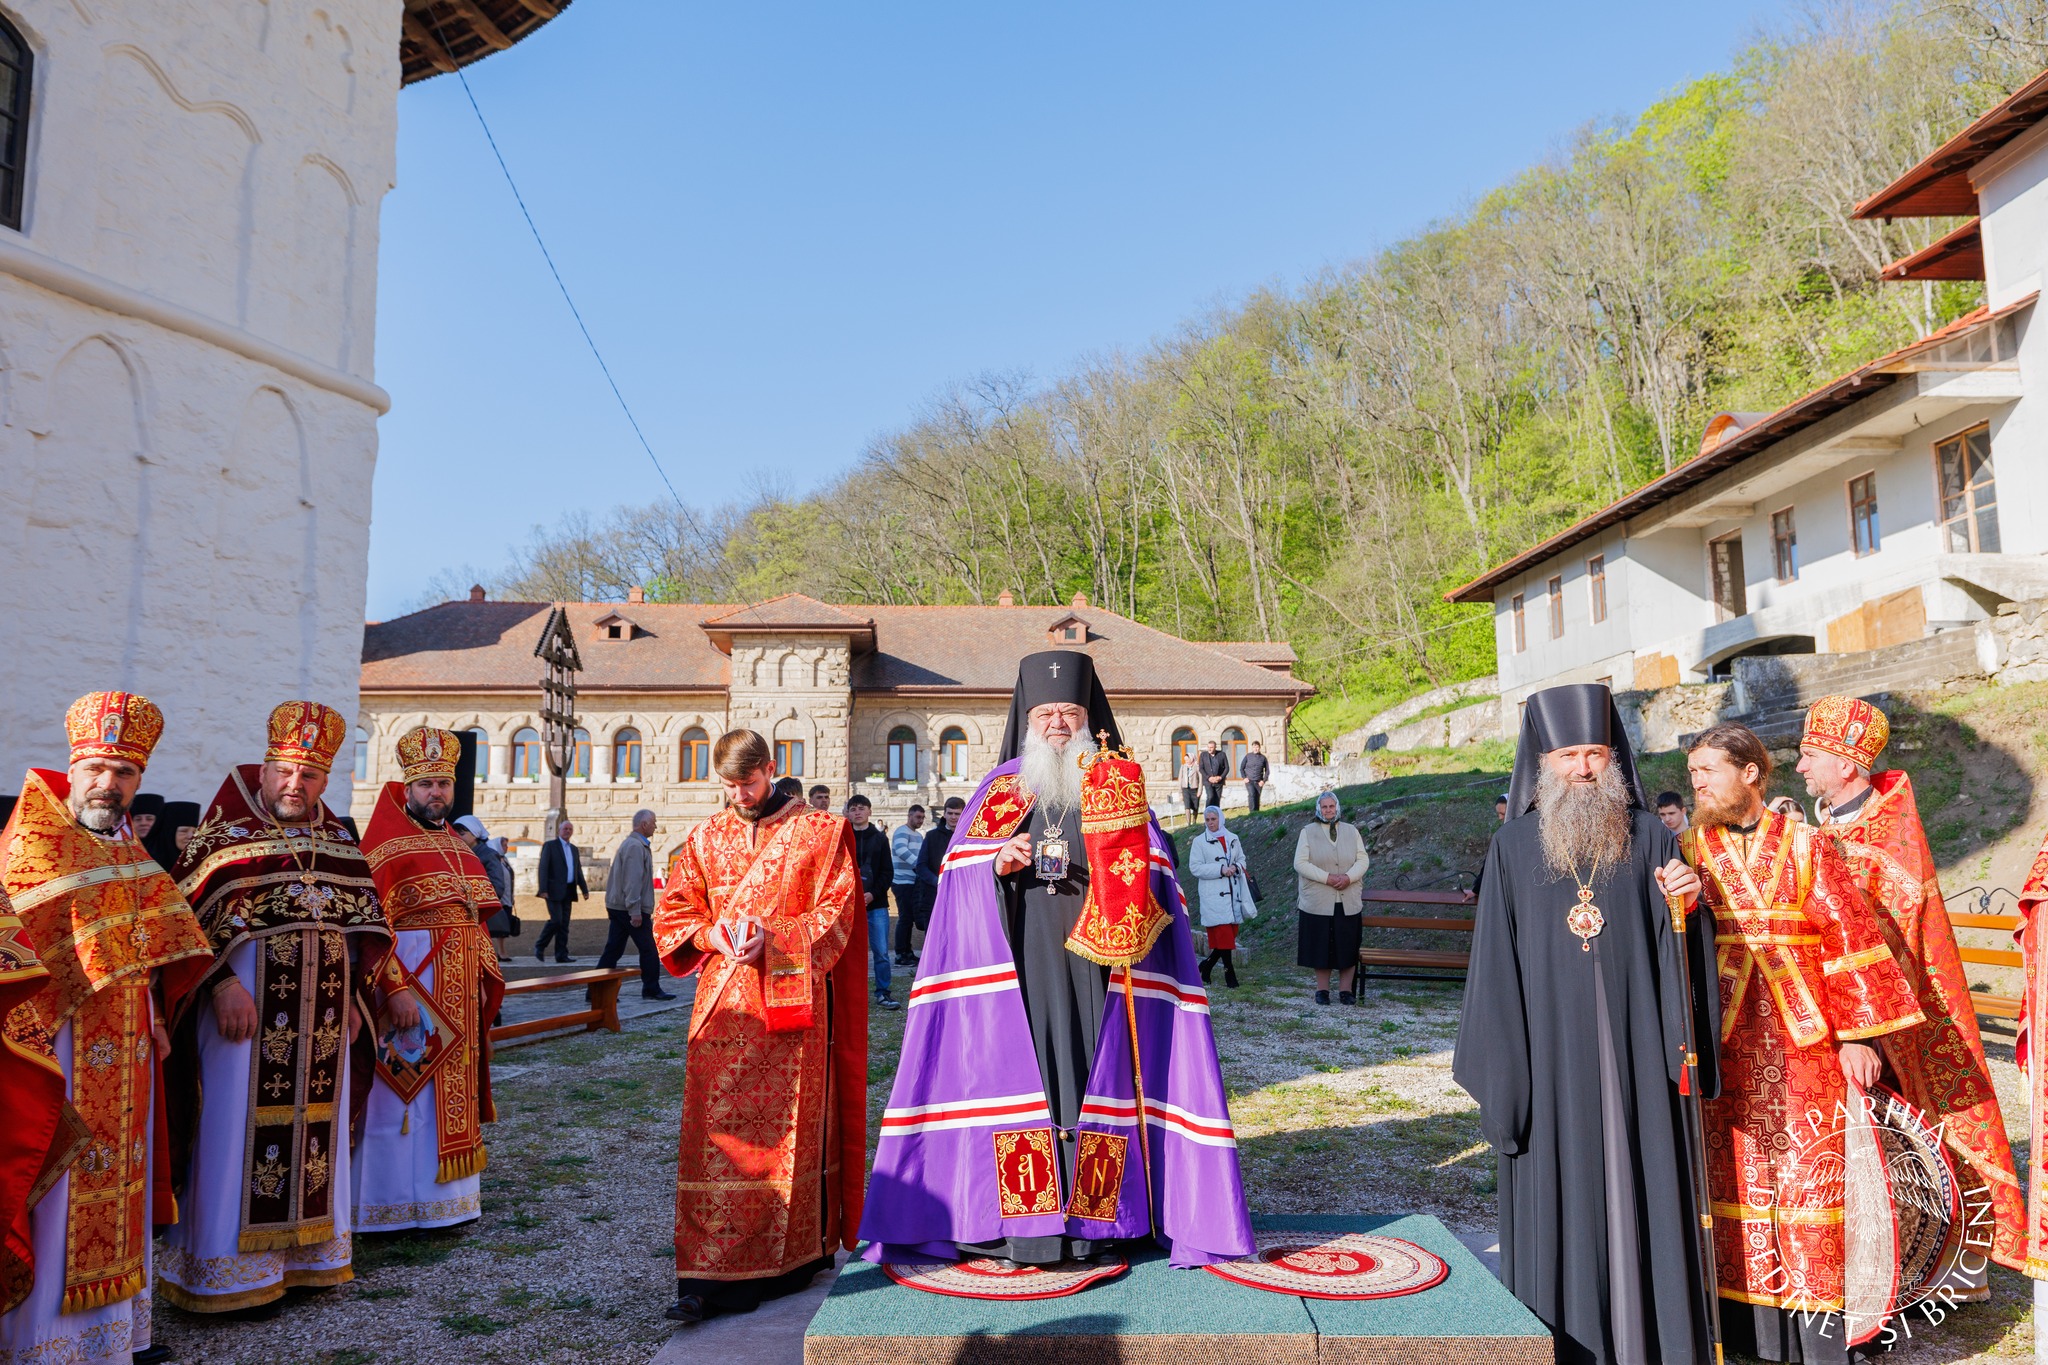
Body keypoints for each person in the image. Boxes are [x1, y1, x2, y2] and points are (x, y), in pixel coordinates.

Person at [861, 650, 1254, 1269]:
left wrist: (1127, 885)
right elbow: (957, 874)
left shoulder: (1117, 783)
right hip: (1019, 963)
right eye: (1045, 714)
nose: (1058, 724)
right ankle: (1027, 1229)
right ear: (1027, 720)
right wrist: (995, 863)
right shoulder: (1000, 788)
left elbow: (1160, 870)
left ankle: (1101, 1223)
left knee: (1101, 1075)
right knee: (1025, 1079)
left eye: (1070, 712)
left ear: (1088, 718)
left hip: (1106, 967)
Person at [1454, 682, 1718, 1365]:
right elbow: (1494, 969)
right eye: (1568, 755)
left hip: (1637, 1060)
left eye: (1594, 753)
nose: (1582, 767)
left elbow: (1680, 947)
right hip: (1549, 1068)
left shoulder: (1653, 836)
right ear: (1543, 762)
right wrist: (1507, 1081)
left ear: (1613, 758)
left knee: (1643, 1186)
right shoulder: (1512, 848)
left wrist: (1690, 906)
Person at [1682, 723, 1922, 1363]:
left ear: (1751, 773)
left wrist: (1860, 1036)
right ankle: (1742, 1330)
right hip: (1722, 1037)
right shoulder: (1686, 849)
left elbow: (1850, 936)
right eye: (1693, 772)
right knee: (1730, 1172)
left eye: (1708, 770)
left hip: (1805, 1039)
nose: (1697, 783)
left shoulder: (1810, 844)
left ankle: (1819, 1337)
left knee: (1813, 1177)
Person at [0, 693, 211, 1363]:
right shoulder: (33, 844)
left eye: (124, 772)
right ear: (73, 768)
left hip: (127, 1044)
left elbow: (144, 947)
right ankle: (43, 1343)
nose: (108, 783)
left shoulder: (128, 849)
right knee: (58, 1184)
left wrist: (154, 1012)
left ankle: (115, 1338)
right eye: (95, 768)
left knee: (121, 1183)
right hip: (53, 1046)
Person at [159, 702, 390, 1313]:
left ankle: (308, 1262)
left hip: (325, 1026)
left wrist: (357, 998)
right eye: (284, 771)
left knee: (317, 1133)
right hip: (242, 1023)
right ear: (262, 770)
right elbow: (180, 927)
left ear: (325, 779)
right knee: (233, 1133)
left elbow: (360, 931)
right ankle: (228, 1276)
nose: (295, 784)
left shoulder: (339, 842)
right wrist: (218, 985)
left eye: (309, 775)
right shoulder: (223, 840)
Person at [1800, 697, 2027, 1281]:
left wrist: (1864, 1022)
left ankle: (1937, 1269)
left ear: (1845, 764)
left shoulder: (1887, 832)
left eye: (1810, 755)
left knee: (1912, 1138)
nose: (1800, 767)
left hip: (1891, 1015)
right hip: (1841, 1011)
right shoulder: (1829, 826)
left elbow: (1894, 930)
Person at [652, 729, 866, 1325]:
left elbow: (838, 912)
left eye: (747, 783)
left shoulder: (820, 832)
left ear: (771, 769)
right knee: (715, 1134)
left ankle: (793, 1260)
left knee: (790, 1134)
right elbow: (675, 912)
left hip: (793, 1011)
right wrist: (709, 935)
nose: (739, 795)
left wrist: (773, 939)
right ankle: (704, 1275)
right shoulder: (705, 836)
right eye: (728, 786)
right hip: (723, 1006)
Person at [353, 726, 508, 1232]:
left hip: (458, 995)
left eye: (443, 784)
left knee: (445, 1093)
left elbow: (473, 920)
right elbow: (372, 927)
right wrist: (394, 989)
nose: (436, 793)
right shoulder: (384, 845)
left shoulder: (457, 847)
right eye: (426, 785)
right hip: (409, 994)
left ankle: (449, 1204)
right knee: (400, 1092)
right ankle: (389, 1207)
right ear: (408, 787)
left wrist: (483, 976)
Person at [1294, 792, 1368, 1005]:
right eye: (1324, 807)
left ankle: (1345, 991)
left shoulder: (1352, 831)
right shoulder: (1307, 832)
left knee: (1348, 946)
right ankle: (1322, 990)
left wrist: (1348, 877)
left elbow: (1362, 860)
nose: (1328, 810)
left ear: (1338, 808)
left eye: (1331, 806)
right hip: (1318, 901)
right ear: (1319, 809)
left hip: (1347, 900)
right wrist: (1327, 878)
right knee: (1321, 946)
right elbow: (1300, 863)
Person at [600, 810, 675, 1001]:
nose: (655, 827)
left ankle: (596, 992)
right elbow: (632, 881)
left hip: (620, 907)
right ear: (644, 824)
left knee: (613, 950)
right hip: (629, 909)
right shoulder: (635, 846)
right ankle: (651, 989)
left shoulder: (634, 844)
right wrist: (635, 910)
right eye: (653, 822)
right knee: (649, 949)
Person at [1189, 805, 1253, 987]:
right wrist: (1220, 869)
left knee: (1229, 935)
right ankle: (1229, 974)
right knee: (1224, 936)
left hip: (1233, 894)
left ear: (1221, 819)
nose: (1210, 823)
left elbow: (1242, 859)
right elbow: (1195, 867)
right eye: (1207, 820)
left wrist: (1235, 867)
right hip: (1213, 896)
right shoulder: (1199, 842)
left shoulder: (1233, 838)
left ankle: (1206, 966)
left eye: (1213, 819)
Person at [846, 796, 899, 1010]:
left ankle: (883, 992)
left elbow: (887, 872)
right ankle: (852, 994)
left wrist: (873, 895)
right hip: (849, 906)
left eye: (861, 808)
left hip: (875, 904)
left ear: (869, 811)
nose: (857, 812)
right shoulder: (843, 837)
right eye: (853, 809)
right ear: (848, 813)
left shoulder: (880, 839)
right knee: (850, 953)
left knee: (881, 952)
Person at [455, 815, 516, 960]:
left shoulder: (488, 855)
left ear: (475, 834)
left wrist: (475, 901)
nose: (457, 837)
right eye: (455, 833)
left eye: (462, 833)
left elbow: (497, 887)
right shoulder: (456, 853)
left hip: (479, 913)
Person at [536, 819, 587, 964]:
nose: (568, 831)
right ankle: (540, 945)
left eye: (570, 829)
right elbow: (543, 868)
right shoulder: (550, 846)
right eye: (565, 829)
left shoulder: (574, 849)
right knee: (556, 920)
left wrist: (584, 889)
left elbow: (577, 870)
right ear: (559, 831)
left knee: (564, 924)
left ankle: (561, 954)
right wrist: (543, 889)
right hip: (553, 890)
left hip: (569, 890)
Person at [890, 804, 926, 966]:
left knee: (910, 918)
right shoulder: (901, 831)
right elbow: (900, 850)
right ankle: (900, 954)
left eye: (922, 818)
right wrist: (919, 865)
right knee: (905, 918)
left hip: (913, 882)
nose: (920, 820)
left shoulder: (918, 835)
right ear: (909, 816)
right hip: (902, 881)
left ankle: (908, 952)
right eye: (918, 817)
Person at [916, 796, 963, 917]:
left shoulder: (969, 839)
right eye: (950, 813)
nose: (953, 817)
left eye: (957, 814)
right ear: (944, 814)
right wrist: (938, 882)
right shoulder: (931, 836)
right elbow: (921, 866)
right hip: (934, 896)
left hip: (961, 897)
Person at [1198, 739, 1229, 810]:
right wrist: (1208, 778)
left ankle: (1216, 814)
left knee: (1217, 798)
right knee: (1210, 796)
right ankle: (1208, 813)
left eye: (1211, 747)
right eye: (1208, 747)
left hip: (1218, 781)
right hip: (1208, 781)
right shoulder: (1203, 755)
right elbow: (1201, 768)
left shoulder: (1222, 754)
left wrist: (1220, 777)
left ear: (1215, 747)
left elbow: (1227, 768)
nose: (1209, 749)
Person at [1240, 742, 1269, 815]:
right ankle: (1252, 813)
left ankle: (1256, 813)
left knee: (1257, 797)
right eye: (1254, 747)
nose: (1255, 749)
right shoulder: (1248, 756)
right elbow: (1241, 768)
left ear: (1259, 748)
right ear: (1252, 748)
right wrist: (1244, 777)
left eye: (1257, 747)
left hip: (1259, 782)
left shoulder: (1263, 758)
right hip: (1249, 781)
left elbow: (1267, 770)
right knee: (1252, 794)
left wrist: (1263, 781)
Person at [1179, 748, 1201, 817]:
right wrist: (1180, 792)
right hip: (1185, 789)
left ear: (1191, 758)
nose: (1186, 761)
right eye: (1185, 760)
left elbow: (1200, 779)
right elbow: (1180, 779)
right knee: (1187, 806)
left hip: (1194, 789)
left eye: (1187, 760)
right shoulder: (1183, 767)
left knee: (1195, 806)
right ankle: (1188, 822)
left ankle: (1194, 820)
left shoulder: (1197, 766)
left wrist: (1200, 790)